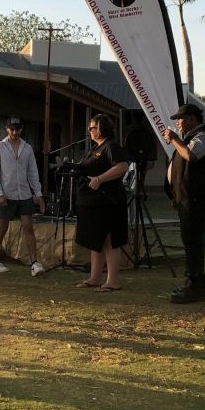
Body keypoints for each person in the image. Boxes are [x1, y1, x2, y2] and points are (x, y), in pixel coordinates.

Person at [163, 104, 205, 303]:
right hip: (185, 197)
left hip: (196, 196)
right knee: (189, 239)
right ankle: (194, 283)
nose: (178, 123)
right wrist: (176, 196)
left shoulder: (202, 137)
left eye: (181, 119)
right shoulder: (186, 139)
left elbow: (190, 156)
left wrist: (175, 139)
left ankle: (195, 285)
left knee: (192, 240)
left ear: (193, 119)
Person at [72, 114, 130, 291]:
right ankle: (95, 277)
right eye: (89, 127)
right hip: (93, 202)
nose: (90, 131)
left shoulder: (111, 146)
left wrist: (100, 179)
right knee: (95, 239)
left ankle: (112, 281)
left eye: (93, 127)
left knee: (109, 240)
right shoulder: (95, 147)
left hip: (109, 201)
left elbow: (122, 166)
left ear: (102, 128)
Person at [0, 117, 46, 276]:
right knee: (2, 227)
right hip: (7, 195)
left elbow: (33, 173)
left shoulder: (27, 148)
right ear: (7, 128)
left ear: (21, 129)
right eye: (12, 128)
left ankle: (34, 263)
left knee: (28, 227)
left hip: (25, 194)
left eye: (17, 129)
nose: (15, 132)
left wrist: (38, 195)